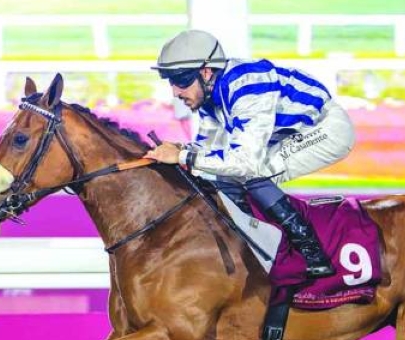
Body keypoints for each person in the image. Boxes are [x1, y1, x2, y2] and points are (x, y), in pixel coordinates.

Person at [144, 29, 355, 279]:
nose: (175, 92)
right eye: (171, 81)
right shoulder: (210, 97)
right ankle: (246, 243)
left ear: (206, 72)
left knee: (252, 173)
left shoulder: (247, 88)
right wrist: (182, 150)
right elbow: (207, 152)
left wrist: (182, 157)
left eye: (181, 81)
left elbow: (244, 163)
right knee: (220, 174)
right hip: (286, 134)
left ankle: (311, 251)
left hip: (325, 130)